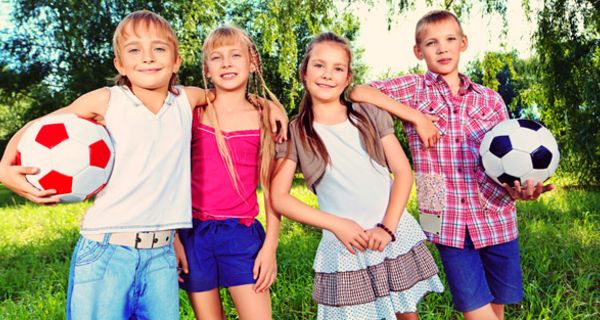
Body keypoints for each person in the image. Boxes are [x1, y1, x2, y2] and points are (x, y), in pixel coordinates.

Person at [0, 11, 286, 319]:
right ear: (119, 64)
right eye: (134, 50)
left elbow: (232, 94)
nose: (148, 57)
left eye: (159, 49)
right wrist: (3, 167)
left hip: (162, 256)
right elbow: (38, 126)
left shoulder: (185, 100)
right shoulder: (106, 100)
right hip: (107, 249)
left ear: (176, 61)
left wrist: (271, 104)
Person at [349, 10, 554, 320]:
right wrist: (415, 116)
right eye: (431, 43)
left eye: (449, 40)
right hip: (447, 222)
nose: (442, 48)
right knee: (475, 310)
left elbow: (508, 163)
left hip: (496, 217)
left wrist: (519, 191)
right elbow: (357, 92)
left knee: (496, 308)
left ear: (463, 43)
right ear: (419, 52)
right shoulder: (414, 90)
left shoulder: (490, 100)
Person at [271, 32, 443, 320]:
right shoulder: (296, 132)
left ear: (348, 77)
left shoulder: (367, 114)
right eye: (319, 66)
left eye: (338, 68)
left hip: (391, 233)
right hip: (346, 246)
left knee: (406, 315)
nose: (328, 75)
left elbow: (402, 173)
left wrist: (386, 229)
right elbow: (279, 197)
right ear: (304, 72)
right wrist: (337, 225)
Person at [174, 26, 283, 320]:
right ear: (207, 70)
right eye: (217, 57)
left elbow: (274, 190)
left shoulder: (265, 119)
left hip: (241, 234)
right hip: (193, 234)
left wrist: (270, 246)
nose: (226, 63)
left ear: (252, 63)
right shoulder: (194, 112)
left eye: (236, 55)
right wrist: (174, 239)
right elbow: (171, 178)